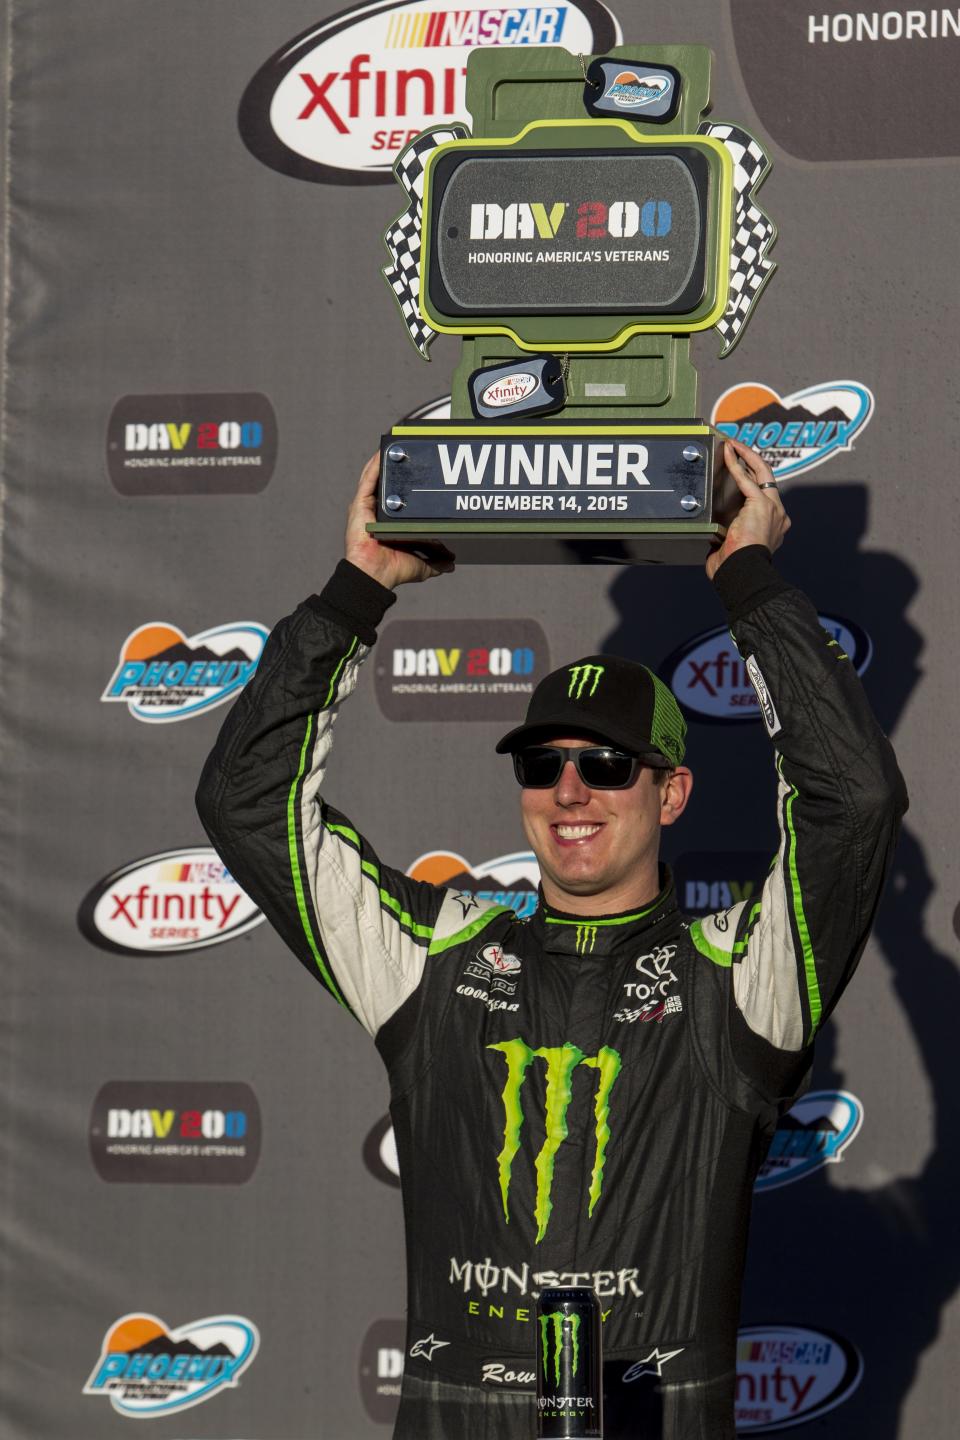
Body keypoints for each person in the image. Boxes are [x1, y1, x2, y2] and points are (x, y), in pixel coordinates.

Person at [196, 438, 906, 1439]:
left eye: (608, 766)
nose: (570, 789)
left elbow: (854, 802)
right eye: (543, 763)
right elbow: (246, 803)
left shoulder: (742, 977)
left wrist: (747, 579)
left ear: (673, 791)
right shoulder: (435, 958)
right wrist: (357, 592)